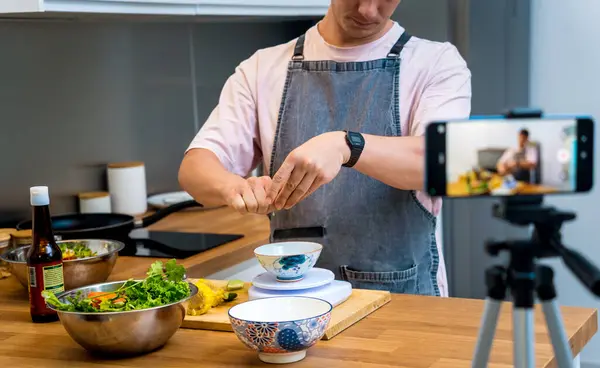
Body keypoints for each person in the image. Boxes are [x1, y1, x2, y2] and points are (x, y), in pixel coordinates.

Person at [179, 0, 472, 297]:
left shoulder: (435, 63)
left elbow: (439, 164)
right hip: (296, 304)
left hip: (404, 301)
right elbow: (195, 168)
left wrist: (346, 146)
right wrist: (232, 187)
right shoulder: (262, 69)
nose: (367, 10)